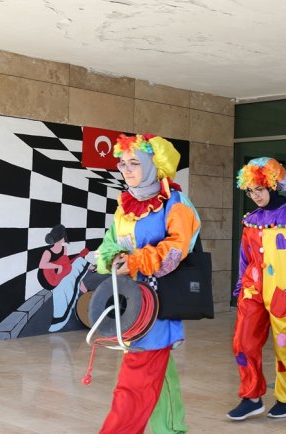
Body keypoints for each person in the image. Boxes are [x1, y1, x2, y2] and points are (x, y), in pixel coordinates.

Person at [95, 133, 200, 433]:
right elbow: (107, 246)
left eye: (135, 163)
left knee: (135, 382)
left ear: (154, 165)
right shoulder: (124, 207)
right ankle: (172, 430)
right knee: (159, 375)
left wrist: (136, 261)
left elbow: (177, 248)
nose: (126, 169)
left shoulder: (175, 203)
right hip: (132, 306)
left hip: (159, 306)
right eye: (122, 163)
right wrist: (113, 259)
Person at [228, 157, 286, 421]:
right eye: (250, 191)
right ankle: (251, 397)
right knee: (243, 343)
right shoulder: (250, 221)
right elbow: (244, 259)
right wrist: (241, 288)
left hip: (285, 294)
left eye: (259, 189)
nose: (255, 196)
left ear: (273, 186)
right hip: (252, 292)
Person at [37, 224, 91, 332]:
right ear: (61, 237)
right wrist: (57, 266)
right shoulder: (48, 252)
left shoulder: (64, 248)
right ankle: (85, 290)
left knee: (73, 273)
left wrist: (64, 266)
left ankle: (86, 291)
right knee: (73, 271)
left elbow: (65, 263)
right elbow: (42, 265)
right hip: (46, 279)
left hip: (58, 275)